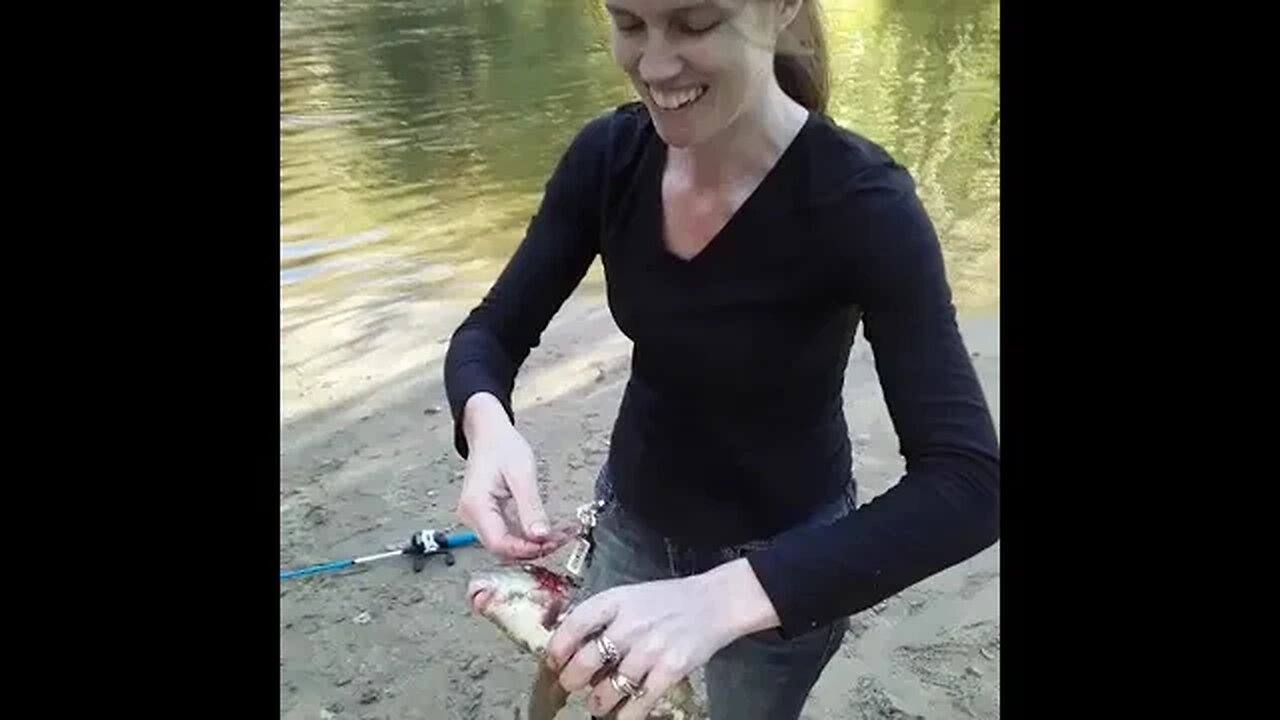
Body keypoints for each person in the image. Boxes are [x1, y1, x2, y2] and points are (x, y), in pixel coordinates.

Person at [443, 1, 1000, 718]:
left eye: (695, 23)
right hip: (631, 519)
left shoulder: (864, 205)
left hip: (784, 553)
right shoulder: (609, 158)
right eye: (630, 23)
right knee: (584, 683)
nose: (654, 65)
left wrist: (726, 597)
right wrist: (487, 427)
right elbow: (490, 332)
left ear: (779, 9)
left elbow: (968, 483)